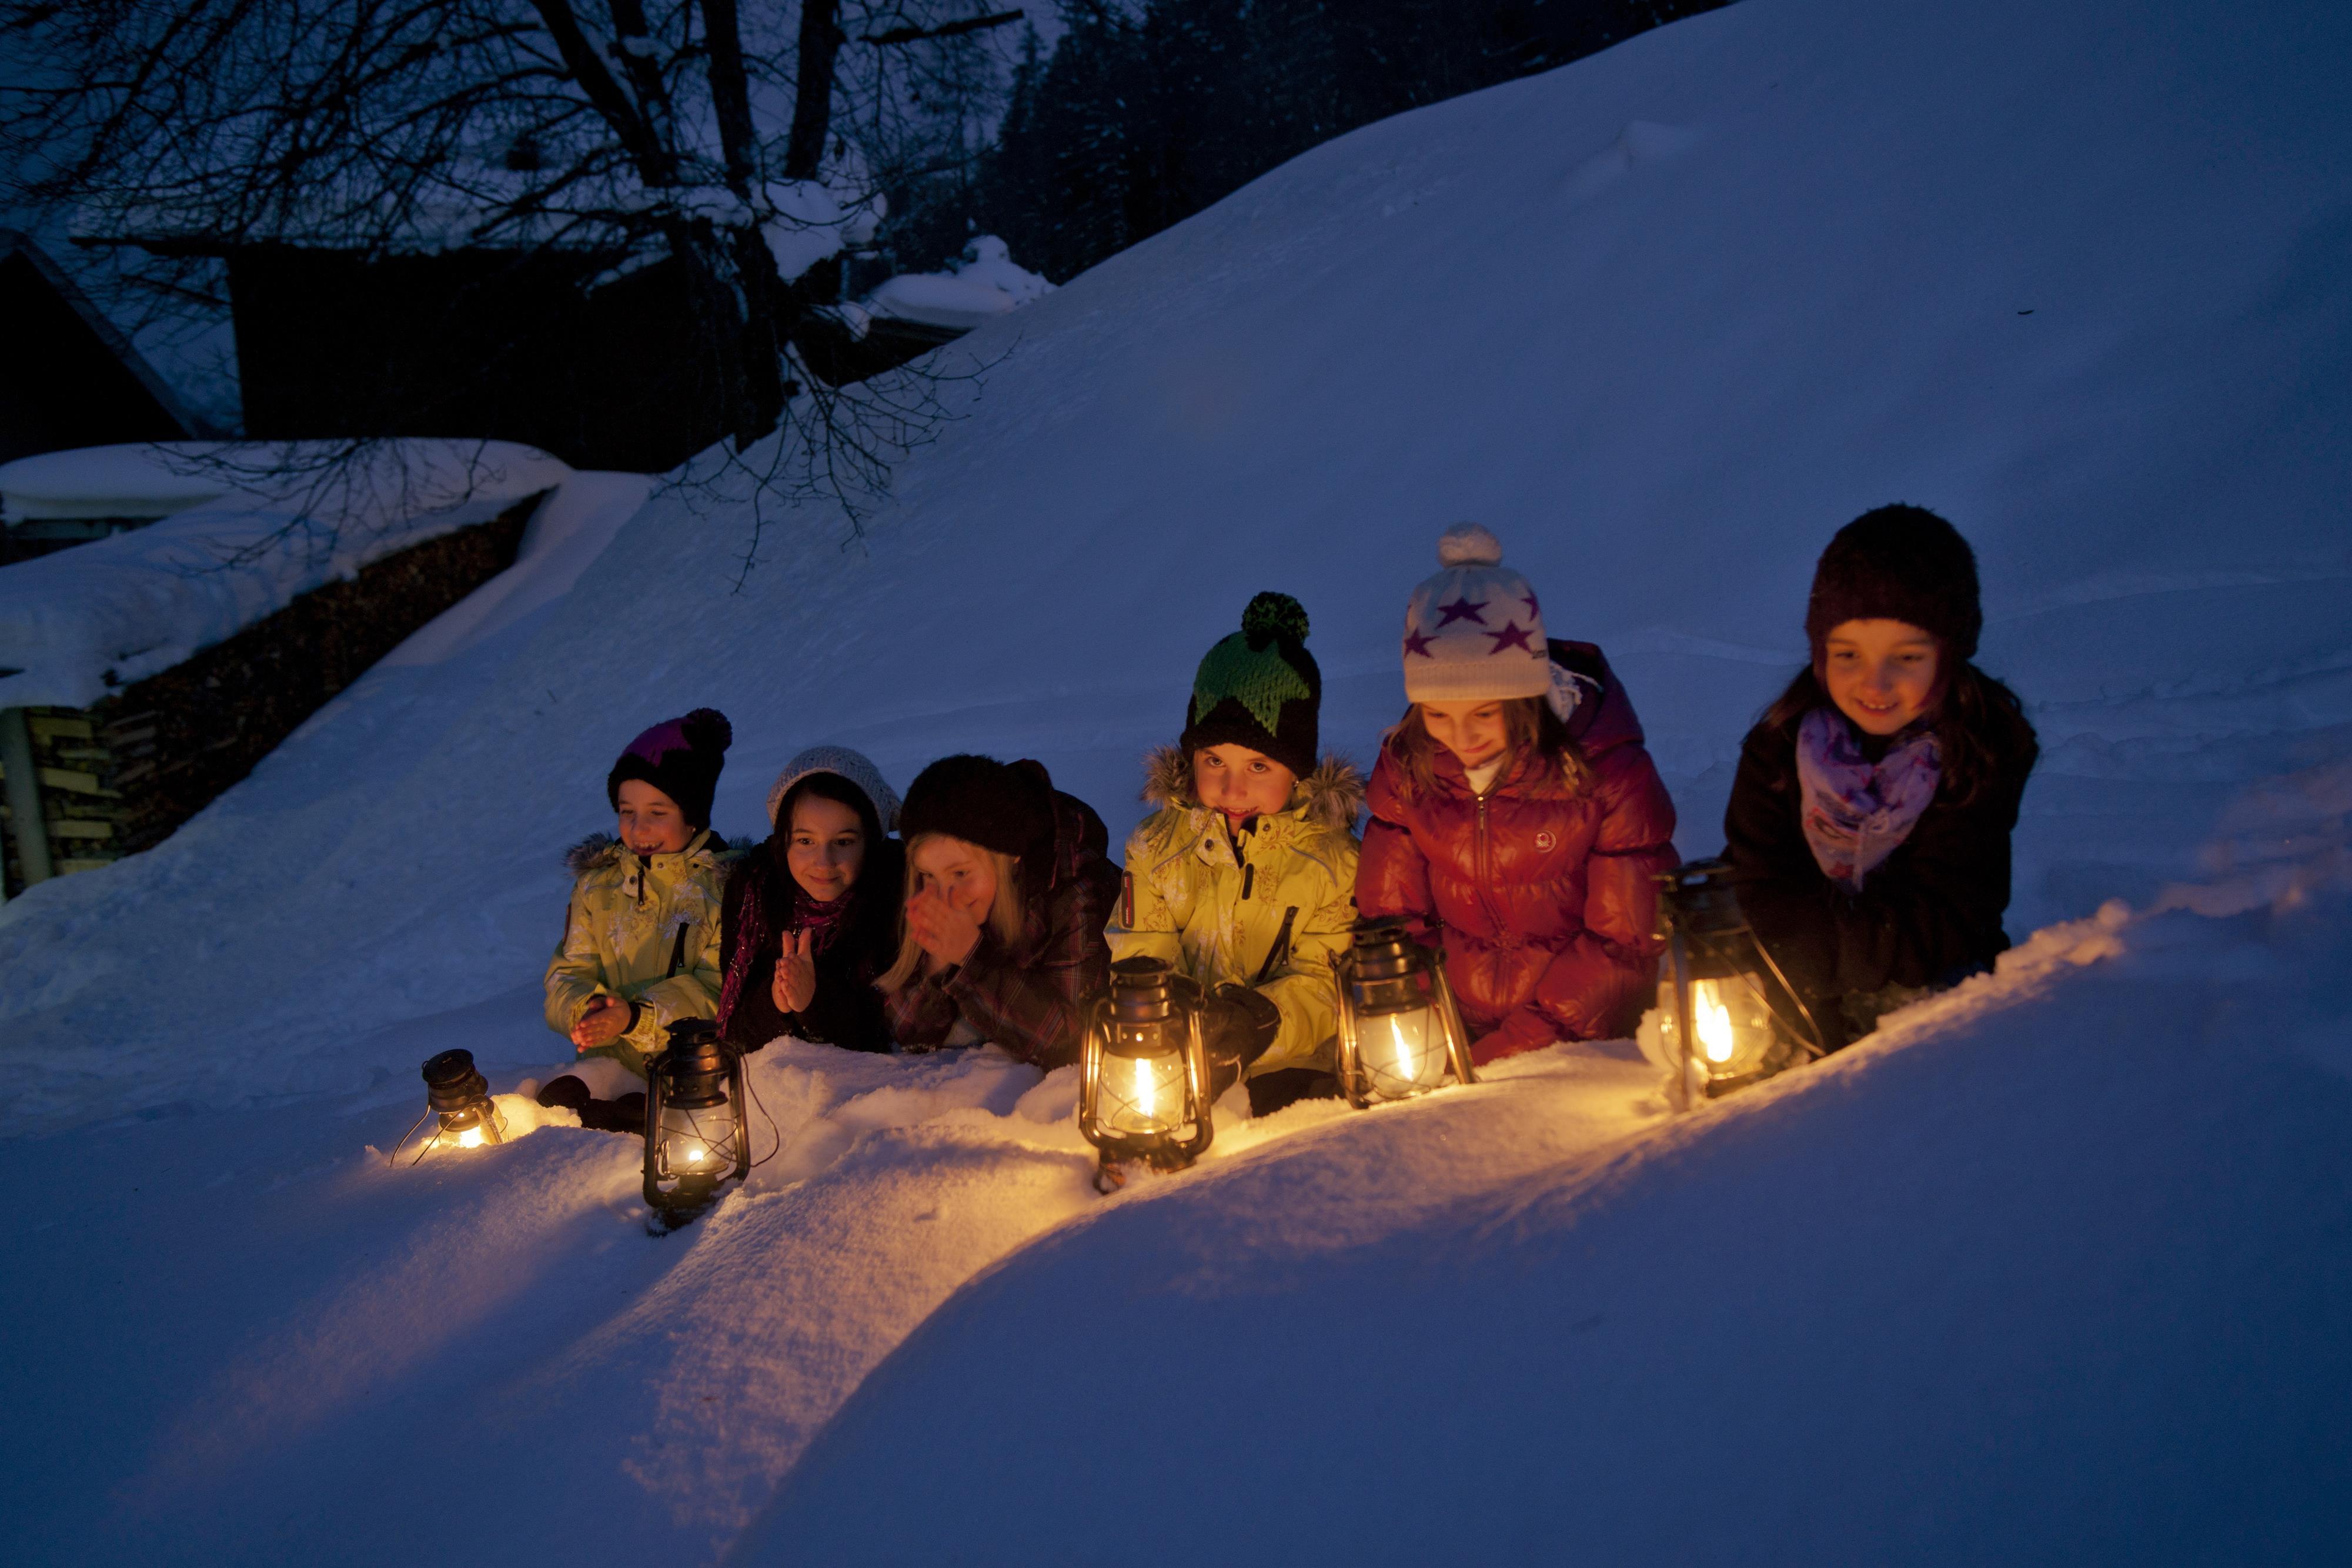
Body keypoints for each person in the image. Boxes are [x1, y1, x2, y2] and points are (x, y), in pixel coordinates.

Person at [1357, 524, 1679, 1062]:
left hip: (1583, 1048)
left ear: (1524, 696)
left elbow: (1624, 942)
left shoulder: (1603, 772)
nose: (1461, 737)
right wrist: (1428, 1029)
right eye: (1437, 714)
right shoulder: (1410, 771)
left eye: (1485, 713)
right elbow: (1393, 921)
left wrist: (1514, 1047)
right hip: (1456, 1039)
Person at [1723, 504, 2038, 1049]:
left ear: (1950, 654)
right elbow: (1756, 881)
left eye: (1906, 657)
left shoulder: (1976, 753)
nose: (1875, 683)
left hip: (1930, 982)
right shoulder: (1780, 747)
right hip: (1800, 979)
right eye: (1849, 654)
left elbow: (1946, 918)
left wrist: (1814, 957)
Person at [1105, 591, 1362, 1115]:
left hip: (1297, 1072)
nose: (1233, 788)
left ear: (1297, 770)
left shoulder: (1334, 863)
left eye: (1259, 766)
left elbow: (1324, 984)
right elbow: (1139, 951)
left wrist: (1255, 1022)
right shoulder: (1156, 850)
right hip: (1181, 1062)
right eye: (1214, 760)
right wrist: (1173, 1015)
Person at [539, 709, 735, 1132]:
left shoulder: (723, 891)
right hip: (606, 1072)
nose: (638, 827)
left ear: (692, 814)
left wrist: (635, 1018)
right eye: (627, 811)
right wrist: (587, 1009)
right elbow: (567, 973)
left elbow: (717, 990)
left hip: (688, 1077)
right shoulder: (598, 886)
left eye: (657, 812)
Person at [877, 754, 1120, 1069]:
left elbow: (1072, 1041)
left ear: (1011, 857)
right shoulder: (940, 900)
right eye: (929, 875)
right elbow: (907, 1031)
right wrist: (937, 967)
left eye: (961, 873)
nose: (947, 896)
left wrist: (972, 961)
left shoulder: (1075, 895)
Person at [714, 746, 905, 1054]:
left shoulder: (896, 899)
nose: (824, 862)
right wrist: (776, 1001)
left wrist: (813, 1001)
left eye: (843, 842)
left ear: (870, 843)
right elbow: (736, 1031)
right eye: (805, 841)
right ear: (784, 840)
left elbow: (887, 1037)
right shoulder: (753, 895)